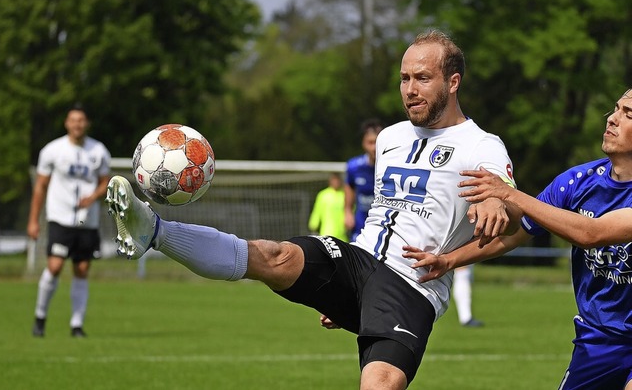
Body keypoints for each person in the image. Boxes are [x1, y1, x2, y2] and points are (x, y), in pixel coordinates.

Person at [106, 29, 518, 389]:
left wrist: (495, 206)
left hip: (412, 284)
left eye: (422, 79)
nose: (409, 89)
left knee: (380, 385)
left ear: (453, 82)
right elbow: (383, 216)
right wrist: (349, 294)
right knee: (275, 256)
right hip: (359, 262)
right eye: (404, 78)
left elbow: (512, 213)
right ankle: (155, 230)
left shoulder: (480, 145)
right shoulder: (390, 138)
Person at [406, 88, 632, 390]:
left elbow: (592, 234)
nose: (612, 119)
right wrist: (449, 260)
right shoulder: (577, 183)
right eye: (615, 109)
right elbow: (514, 237)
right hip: (597, 338)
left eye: (627, 114)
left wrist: (509, 193)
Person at [28, 105, 111, 338]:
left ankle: (76, 324)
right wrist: (33, 220)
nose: (77, 124)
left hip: (87, 221)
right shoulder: (53, 150)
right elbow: (40, 186)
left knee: (82, 269)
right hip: (60, 217)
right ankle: (40, 316)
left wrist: (93, 196)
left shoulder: (98, 151)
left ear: (87, 123)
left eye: (81, 120)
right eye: (73, 120)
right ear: (67, 123)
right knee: (54, 266)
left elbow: (105, 182)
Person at [344, 118, 384, 242]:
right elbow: (349, 186)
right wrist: (348, 211)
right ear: (363, 143)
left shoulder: (392, 166)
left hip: (384, 225)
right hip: (361, 224)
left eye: (377, 142)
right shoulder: (354, 166)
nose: (374, 148)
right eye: (370, 142)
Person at [308, 172, 349, 241]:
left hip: (342, 233)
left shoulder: (344, 195)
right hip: (327, 231)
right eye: (334, 180)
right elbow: (317, 210)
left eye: (337, 180)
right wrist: (313, 224)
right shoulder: (323, 195)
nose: (336, 182)